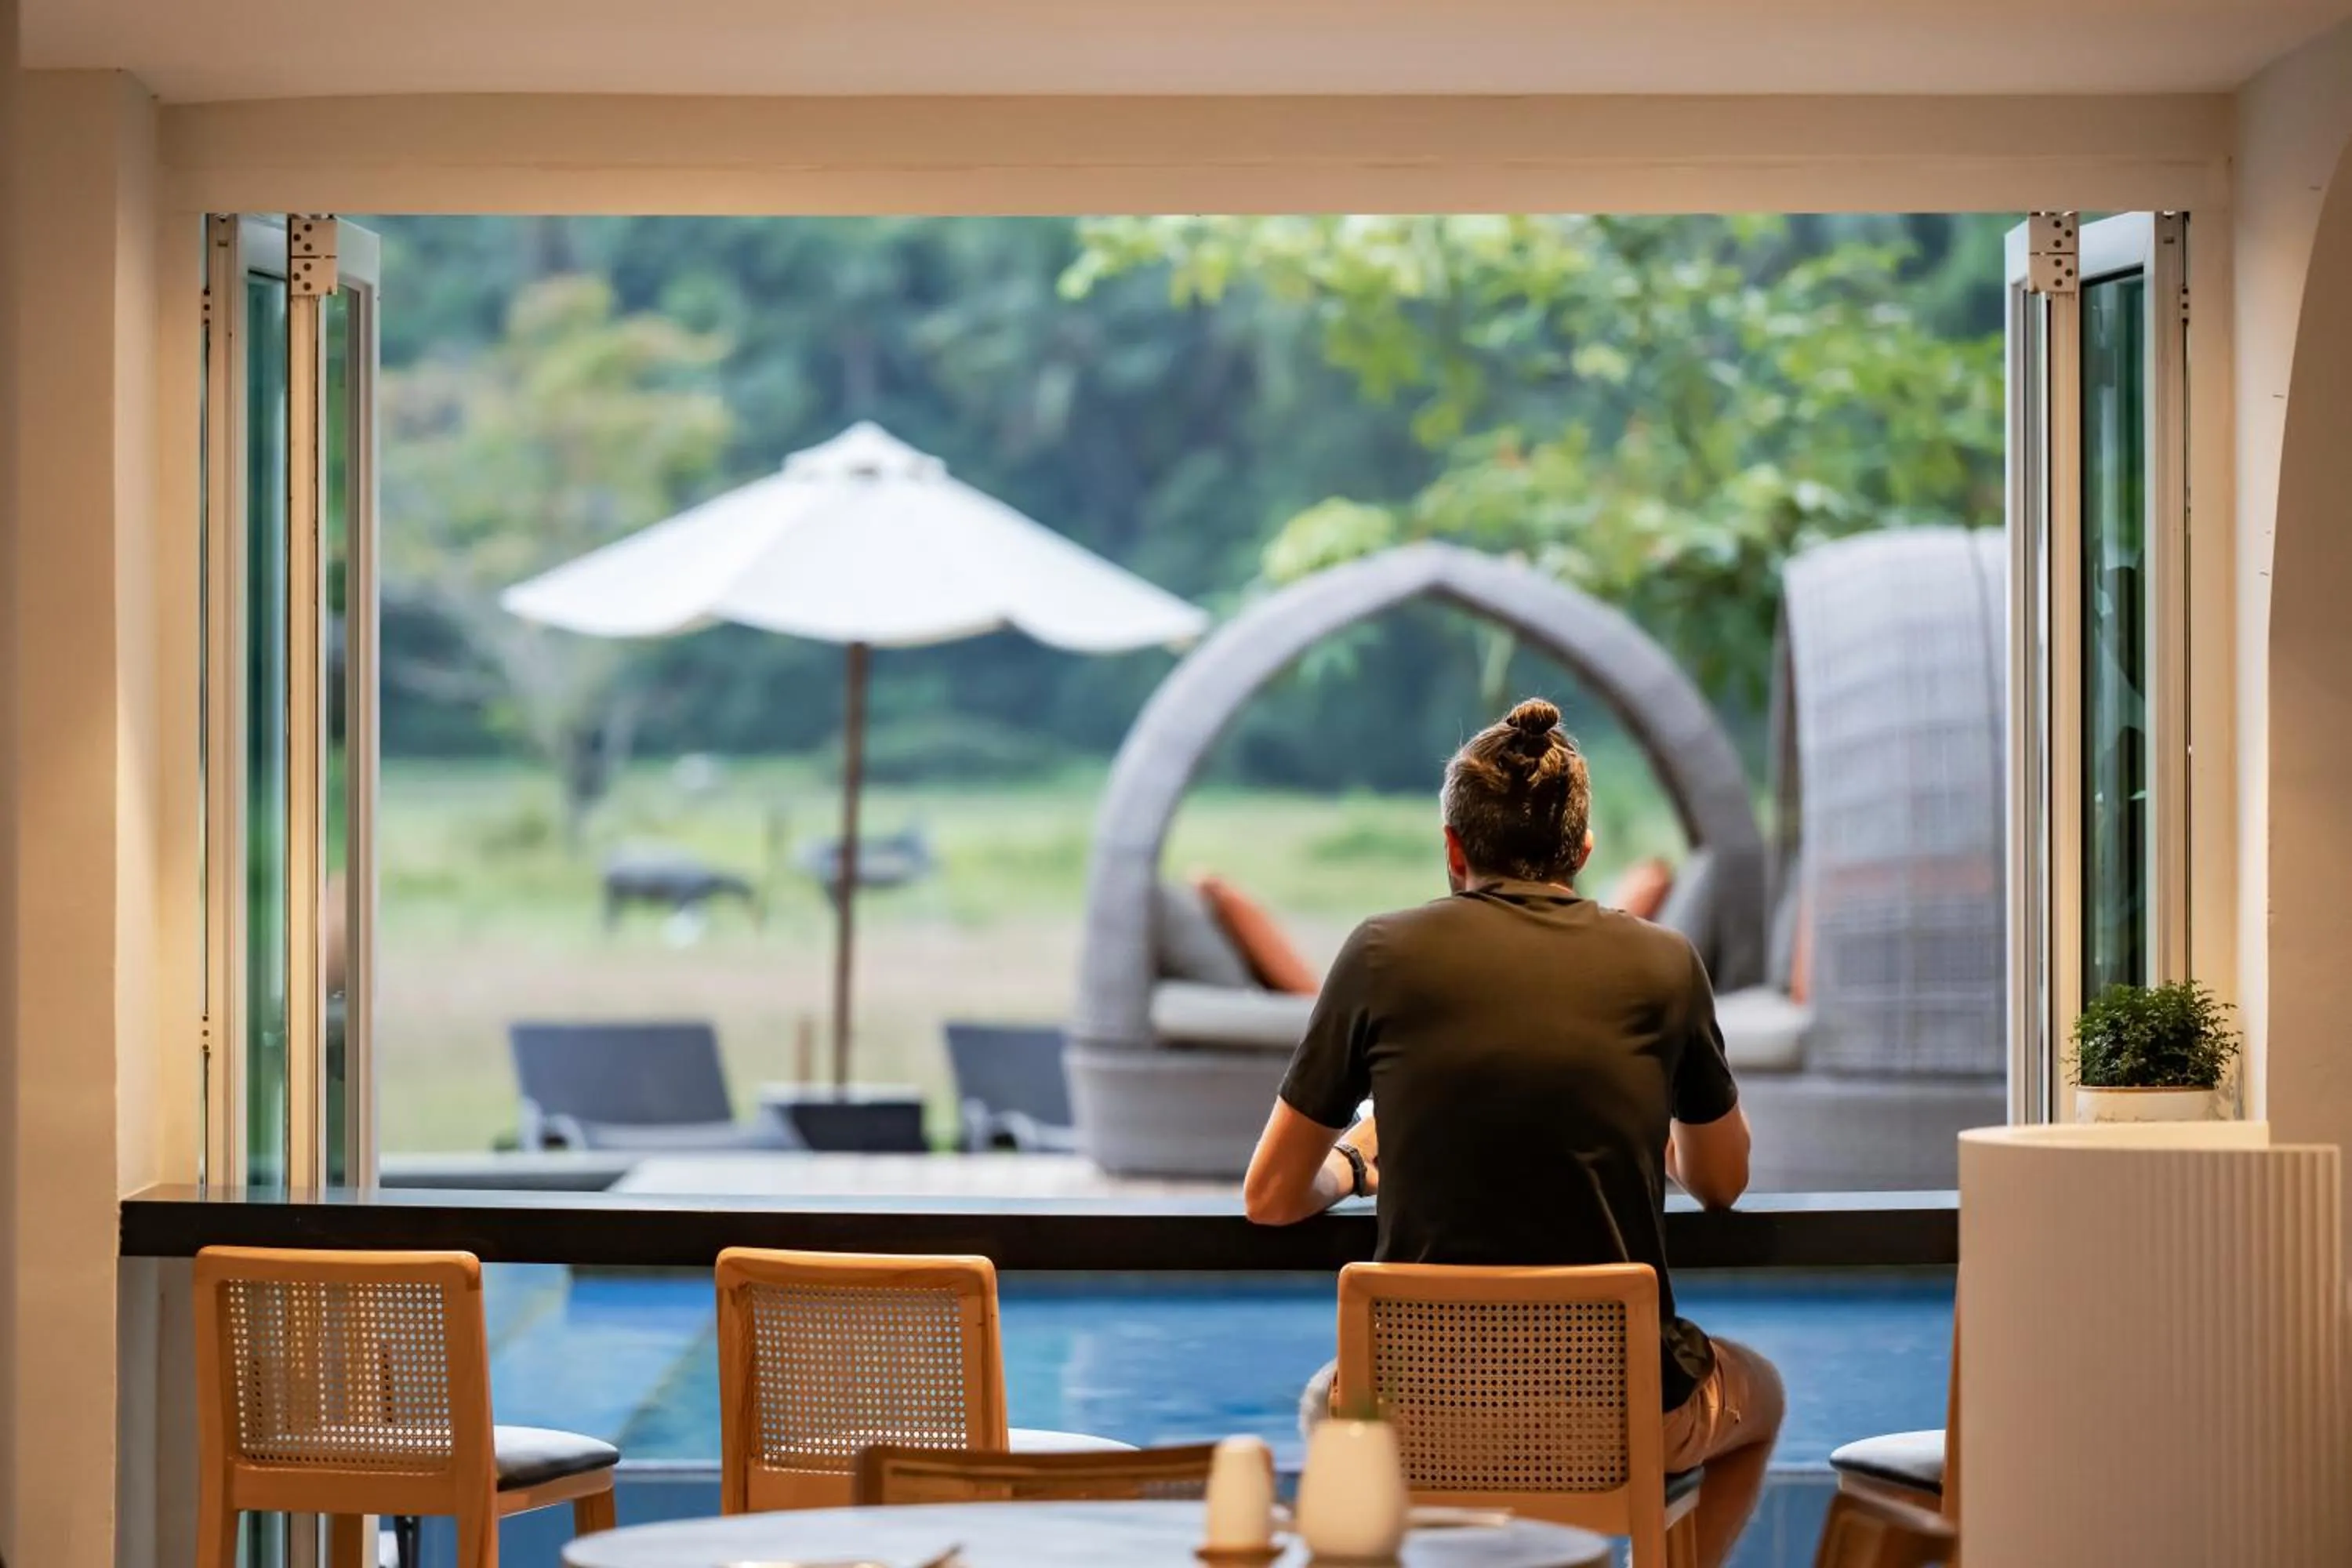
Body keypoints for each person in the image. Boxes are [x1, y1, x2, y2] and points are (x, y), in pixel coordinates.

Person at [1242, 697, 1783, 1568]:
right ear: (1582, 852)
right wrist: (1653, 1119)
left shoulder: (1380, 952)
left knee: (1329, 1404)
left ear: (1454, 848)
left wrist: (1355, 1160)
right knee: (1765, 1397)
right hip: (1616, 1418)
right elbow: (1722, 1181)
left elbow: (1269, 1196)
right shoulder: (1663, 962)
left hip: (1418, 1417)